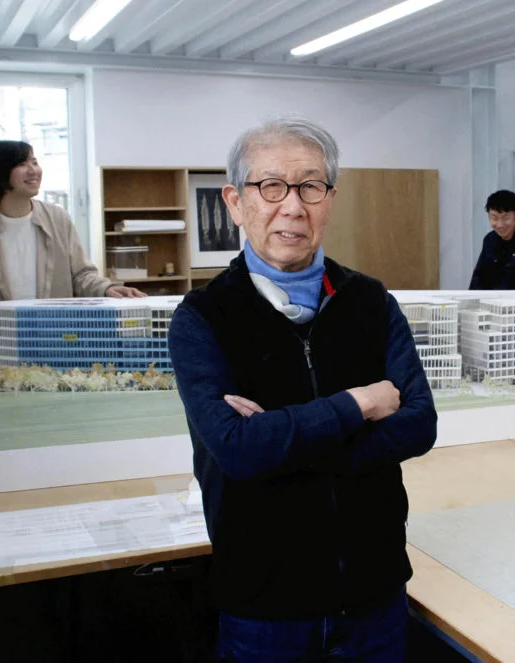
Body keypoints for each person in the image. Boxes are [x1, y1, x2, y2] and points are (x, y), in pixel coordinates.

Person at [168, 116, 437, 663]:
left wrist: (281, 439)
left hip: (375, 595)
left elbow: (419, 424)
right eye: (270, 186)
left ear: (330, 199)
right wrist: (358, 404)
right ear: (235, 201)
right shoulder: (203, 317)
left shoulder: (370, 301)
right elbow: (237, 452)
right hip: (265, 608)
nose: (292, 206)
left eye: (310, 186)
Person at [0, 140, 144, 364]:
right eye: (23, 164)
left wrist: (107, 288)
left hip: (54, 342)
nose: (33, 169)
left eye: (35, 161)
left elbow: (82, 274)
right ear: (0, 173)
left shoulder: (58, 219)